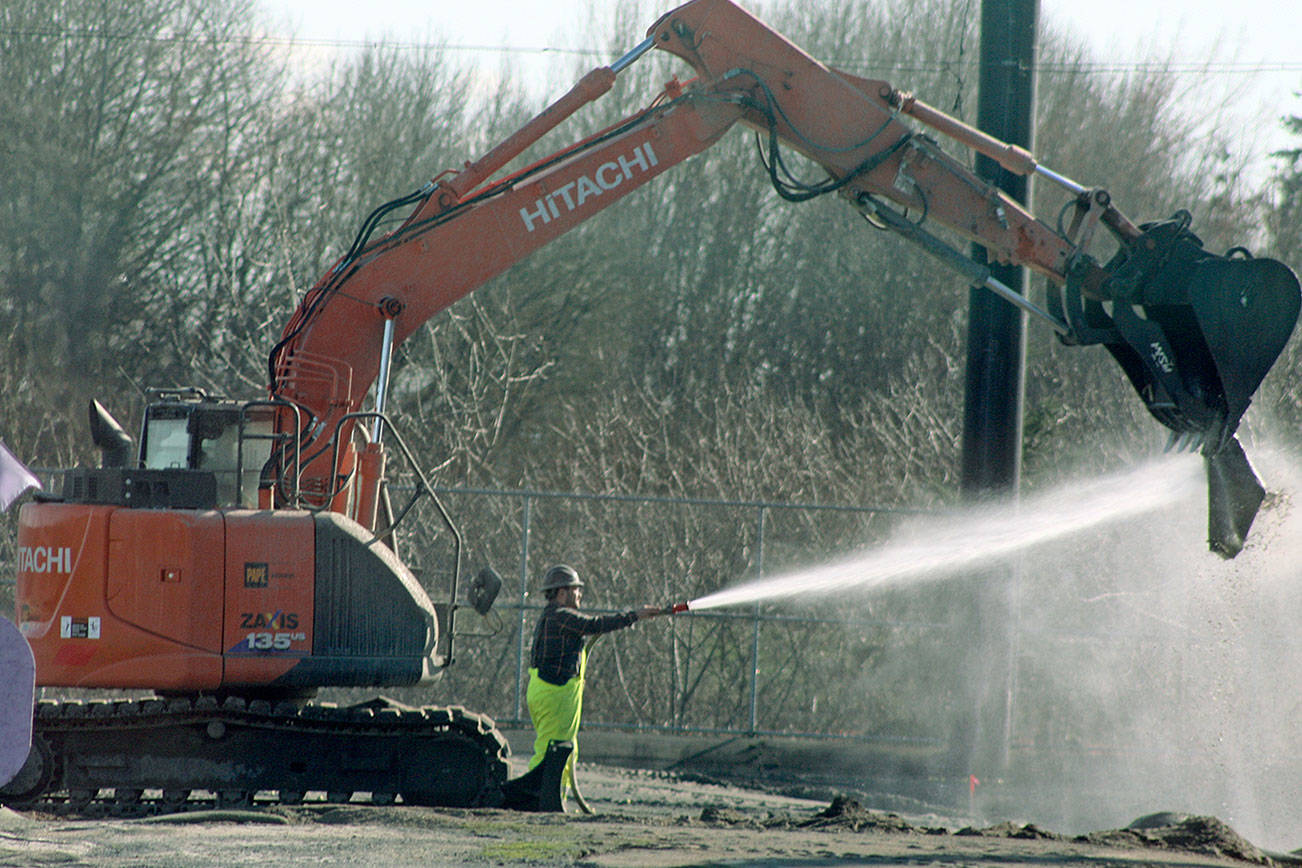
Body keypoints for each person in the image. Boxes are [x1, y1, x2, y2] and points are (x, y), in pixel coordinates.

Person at [526, 564, 663, 810]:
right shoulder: (561, 616)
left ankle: (554, 802)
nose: (579, 594)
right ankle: (538, 802)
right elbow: (594, 625)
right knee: (553, 750)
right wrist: (635, 615)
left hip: (547, 691)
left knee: (564, 751)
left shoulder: (553, 616)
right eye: (575, 590)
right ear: (561, 592)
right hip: (555, 694)